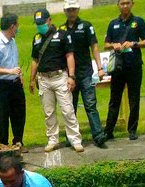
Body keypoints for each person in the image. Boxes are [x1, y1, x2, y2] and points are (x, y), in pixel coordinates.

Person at [29, 8, 84, 153]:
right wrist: (31, 79)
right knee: (49, 112)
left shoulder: (62, 35)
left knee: (67, 110)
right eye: (37, 23)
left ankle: (75, 139)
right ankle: (52, 139)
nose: (40, 26)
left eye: (42, 23)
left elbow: (69, 56)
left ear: (49, 20)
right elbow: (34, 60)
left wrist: (71, 76)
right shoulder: (36, 38)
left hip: (60, 77)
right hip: (44, 79)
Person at [60, 0, 107, 147]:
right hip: (69, 76)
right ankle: (71, 137)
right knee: (70, 107)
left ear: (78, 10)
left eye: (73, 9)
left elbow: (94, 47)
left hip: (85, 72)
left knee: (90, 104)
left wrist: (99, 68)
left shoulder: (86, 26)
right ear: (65, 12)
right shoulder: (61, 29)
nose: (71, 12)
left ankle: (98, 135)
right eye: (69, 10)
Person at [104, 0, 145, 141]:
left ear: (132, 4)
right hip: (118, 66)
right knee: (114, 99)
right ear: (118, 5)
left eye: (127, 3)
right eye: (122, 3)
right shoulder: (113, 24)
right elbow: (105, 44)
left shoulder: (138, 22)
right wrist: (114, 45)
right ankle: (108, 130)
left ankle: (132, 130)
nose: (125, 6)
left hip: (134, 64)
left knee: (134, 98)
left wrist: (134, 44)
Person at [0, 13, 27, 153]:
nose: (18, 28)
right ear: (12, 27)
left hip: (15, 83)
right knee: (3, 114)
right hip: (2, 85)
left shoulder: (13, 41)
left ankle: (18, 141)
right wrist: (10, 71)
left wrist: (18, 74)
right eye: (17, 25)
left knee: (19, 113)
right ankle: (3, 144)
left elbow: (13, 61)